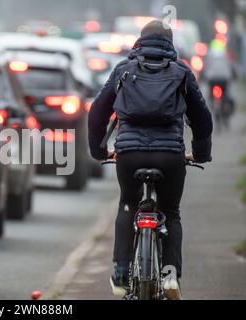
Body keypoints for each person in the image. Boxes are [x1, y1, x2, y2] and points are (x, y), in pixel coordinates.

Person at [88, 20, 213, 299]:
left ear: (139, 42)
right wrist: (201, 153)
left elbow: (97, 113)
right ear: (170, 44)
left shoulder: (123, 70)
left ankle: (121, 272)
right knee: (171, 212)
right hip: (170, 156)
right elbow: (202, 119)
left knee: (128, 203)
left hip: (129, 155)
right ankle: (170, 276)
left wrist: (98, 151)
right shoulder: (181, 72)